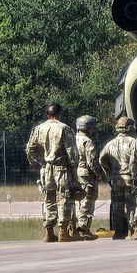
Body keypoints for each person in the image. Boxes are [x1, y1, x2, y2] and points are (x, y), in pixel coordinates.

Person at [26, 102, 80, 243]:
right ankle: (63, 231)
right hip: (61, 168)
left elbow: (30, 149)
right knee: (63, 199)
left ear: (47, 115)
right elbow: (72, 153)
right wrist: (75, 172)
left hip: (46, 168)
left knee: (48, 198)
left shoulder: (37, 129)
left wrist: (38, 162)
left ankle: (49, 232)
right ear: (59, 114)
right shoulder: (65, 129)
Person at [99, 116, 137, 240]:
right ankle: (132, 231)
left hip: (116, 179)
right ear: (130, 127)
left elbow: (102, 159)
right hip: (130, 178)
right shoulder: (134, 142)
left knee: (117, 206)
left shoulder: (110, 144)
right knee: (132, 205)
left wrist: (109, 173)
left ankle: (118, 232)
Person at [74, 115, 106, 240]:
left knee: (76, 200)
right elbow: (92, 161)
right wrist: (98, 173)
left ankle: (72, 227)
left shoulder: (72, 139)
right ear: (88, 128)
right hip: (86, 174)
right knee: (88, 199)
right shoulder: (87, 142)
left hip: (74, 173)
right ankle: (84, 228)